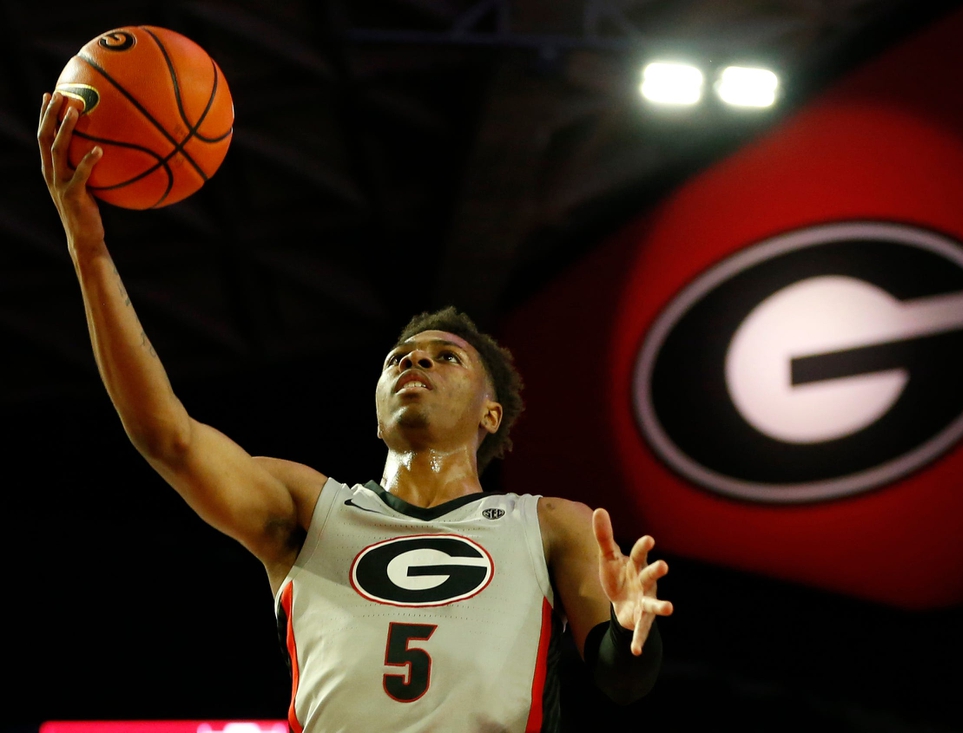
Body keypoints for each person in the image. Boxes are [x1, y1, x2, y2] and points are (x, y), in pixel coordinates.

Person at [37, 92, 673, 732]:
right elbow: (167, 438)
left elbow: (623, 682)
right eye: (401, 357)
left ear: (491, 415)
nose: (414, 364)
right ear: (376, 415)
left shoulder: (549, 526)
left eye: (445, 359)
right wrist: (89, 250)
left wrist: (631, 631)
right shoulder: (310, 511)